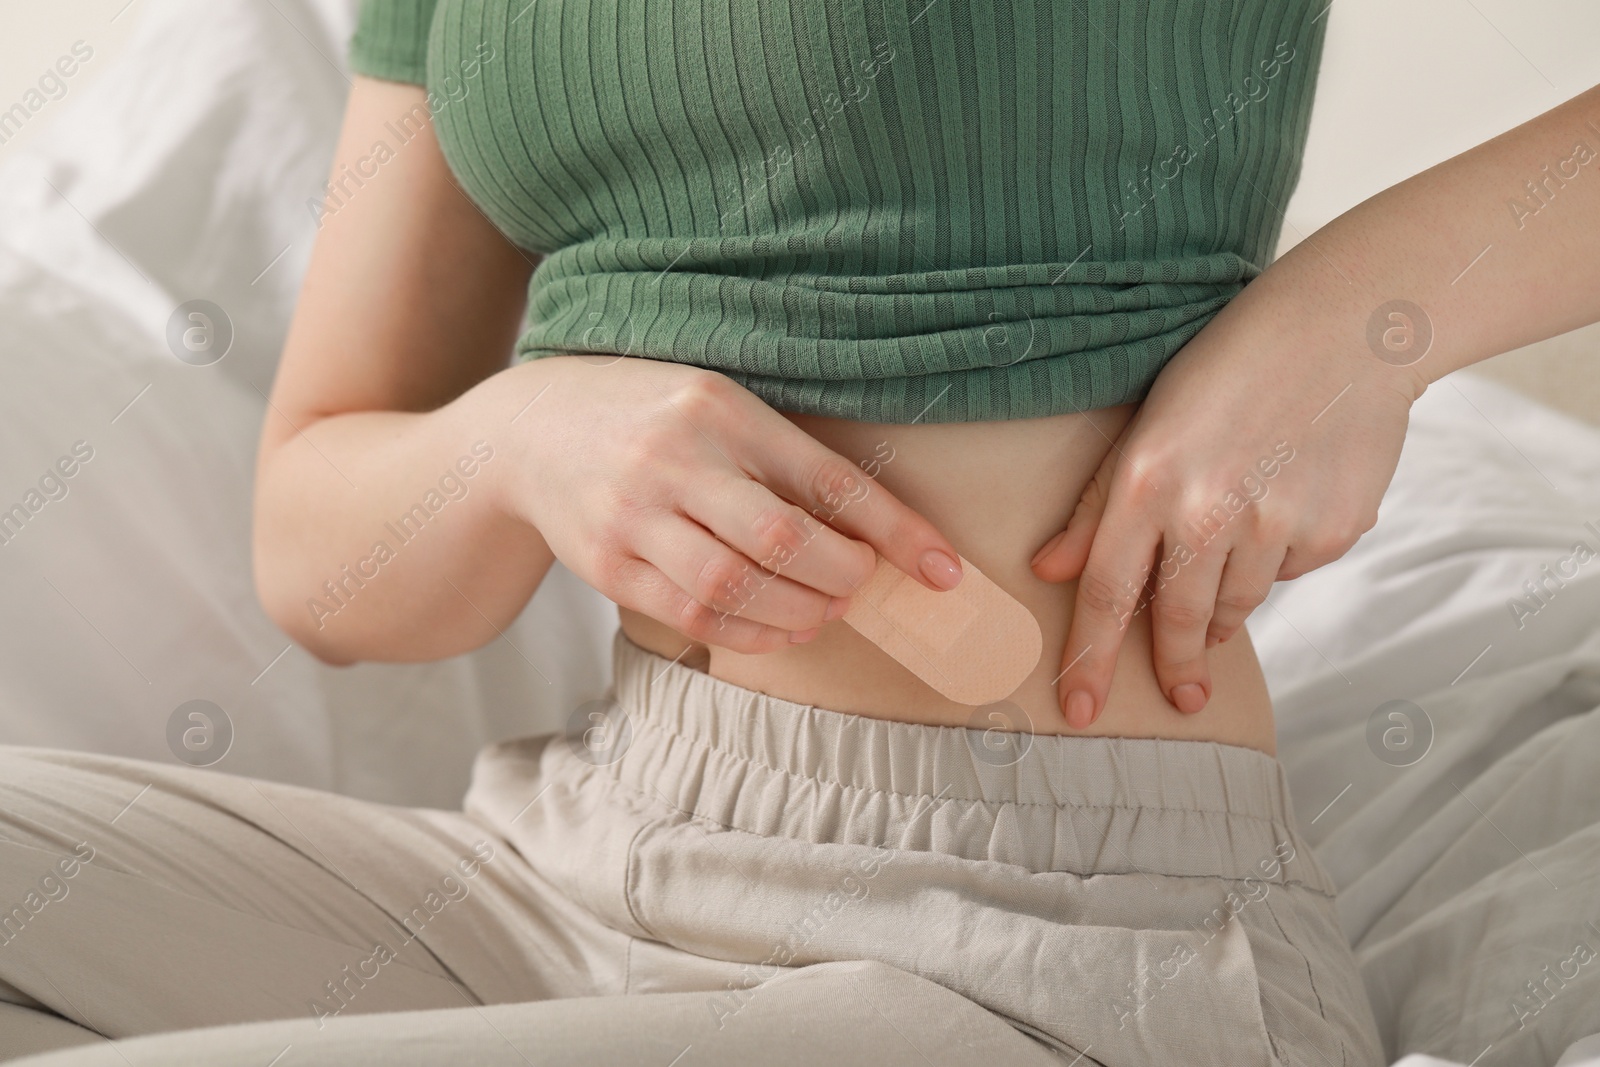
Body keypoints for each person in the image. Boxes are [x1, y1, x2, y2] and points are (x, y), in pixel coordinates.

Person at [3, 0, 1597, 1063]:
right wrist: (517, 440)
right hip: (574, 854)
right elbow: (314, 537)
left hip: (1045, 931)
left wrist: (1370, 308)